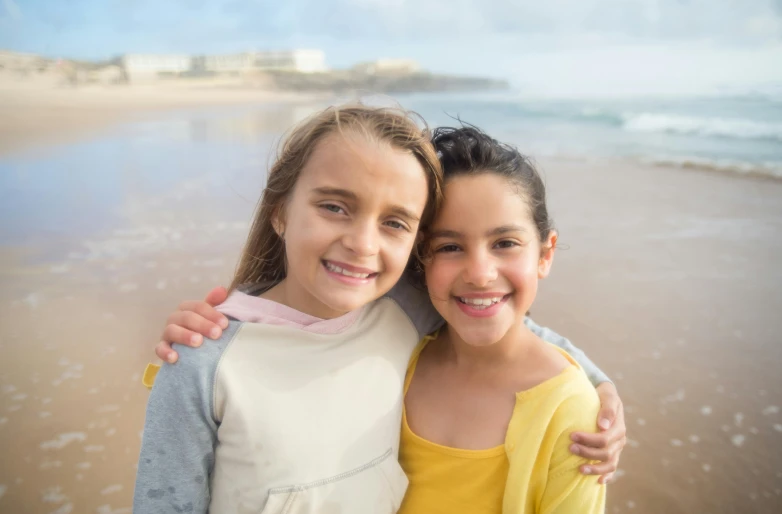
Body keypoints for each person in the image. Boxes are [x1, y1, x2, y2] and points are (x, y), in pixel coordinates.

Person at [139, 105, 625, 513]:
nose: (362, 243)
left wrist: (597, 384)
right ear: (281, 209)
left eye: (395, 222)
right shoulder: (203, 361)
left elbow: (495, 318)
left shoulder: (401, 314)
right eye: (334, 207)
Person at [398, 126, 605, 513]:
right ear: (420, 257)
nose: (479, 273)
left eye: (505, 243)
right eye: (450, 246)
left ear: (545, 254)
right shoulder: (398, 358)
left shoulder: (570, 410)